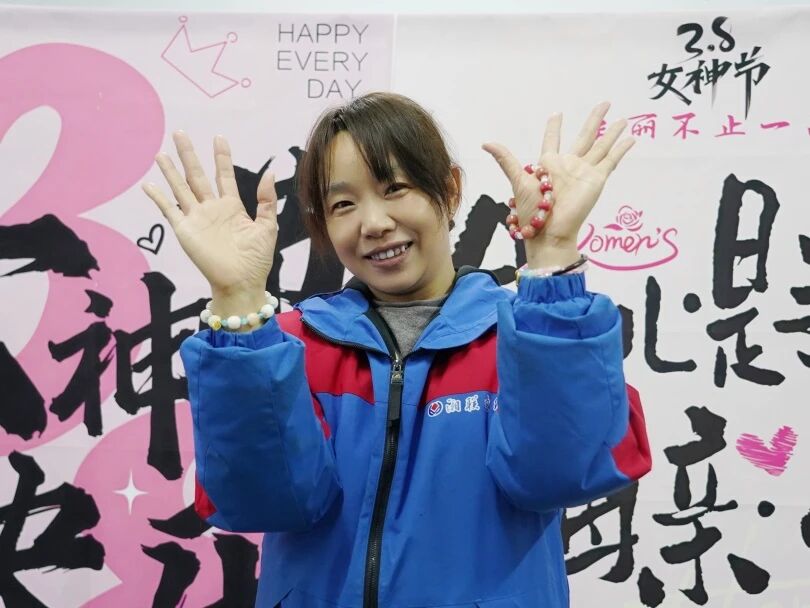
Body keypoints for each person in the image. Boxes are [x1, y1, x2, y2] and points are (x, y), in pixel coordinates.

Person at [143, 92, 652, 608]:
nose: (374, 223)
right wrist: (237, 299)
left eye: (395, 189)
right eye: (343, 204)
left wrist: (553, 257)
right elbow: (259, 501)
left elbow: (567, 473)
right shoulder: (287, 346)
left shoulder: (524, 337)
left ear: (449, 190)